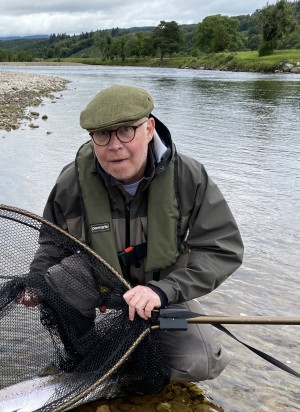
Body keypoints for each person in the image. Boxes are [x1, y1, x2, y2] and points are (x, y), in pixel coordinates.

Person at [21, 84, 244, 382]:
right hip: (100, 282)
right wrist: (35, 280)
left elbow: (221, 250)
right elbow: (53, 242)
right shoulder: (72, 180)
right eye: (102, 134)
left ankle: (127, 377)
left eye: (126, 130)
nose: (114, 145)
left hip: (164, 292)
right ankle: (85, 358)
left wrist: (164, 291)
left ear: (149, 129)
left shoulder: (189, 177)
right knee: (56, 283)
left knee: (200, 361)